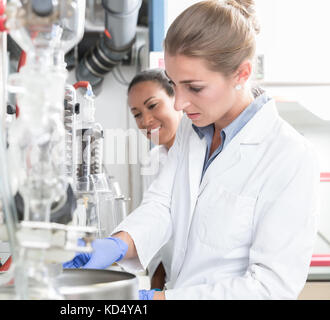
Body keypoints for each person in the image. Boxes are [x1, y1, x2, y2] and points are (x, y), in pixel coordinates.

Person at [64, 0, 320, 300]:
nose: (179, 104)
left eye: (194, 87)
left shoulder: (290, 157)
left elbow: (269, 288)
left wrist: (155, 299)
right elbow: (163, 205)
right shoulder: (192, 129)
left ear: (241, 73)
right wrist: (120, 243)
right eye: (174, 85)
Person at [127, 69, 182, 290]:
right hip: (172, 285)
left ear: (176, 98)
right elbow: (158, 231)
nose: (146, 120)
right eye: (137, 114)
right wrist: (156, 286)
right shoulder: (153, 161)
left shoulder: (205, 154)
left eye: (152, 105)